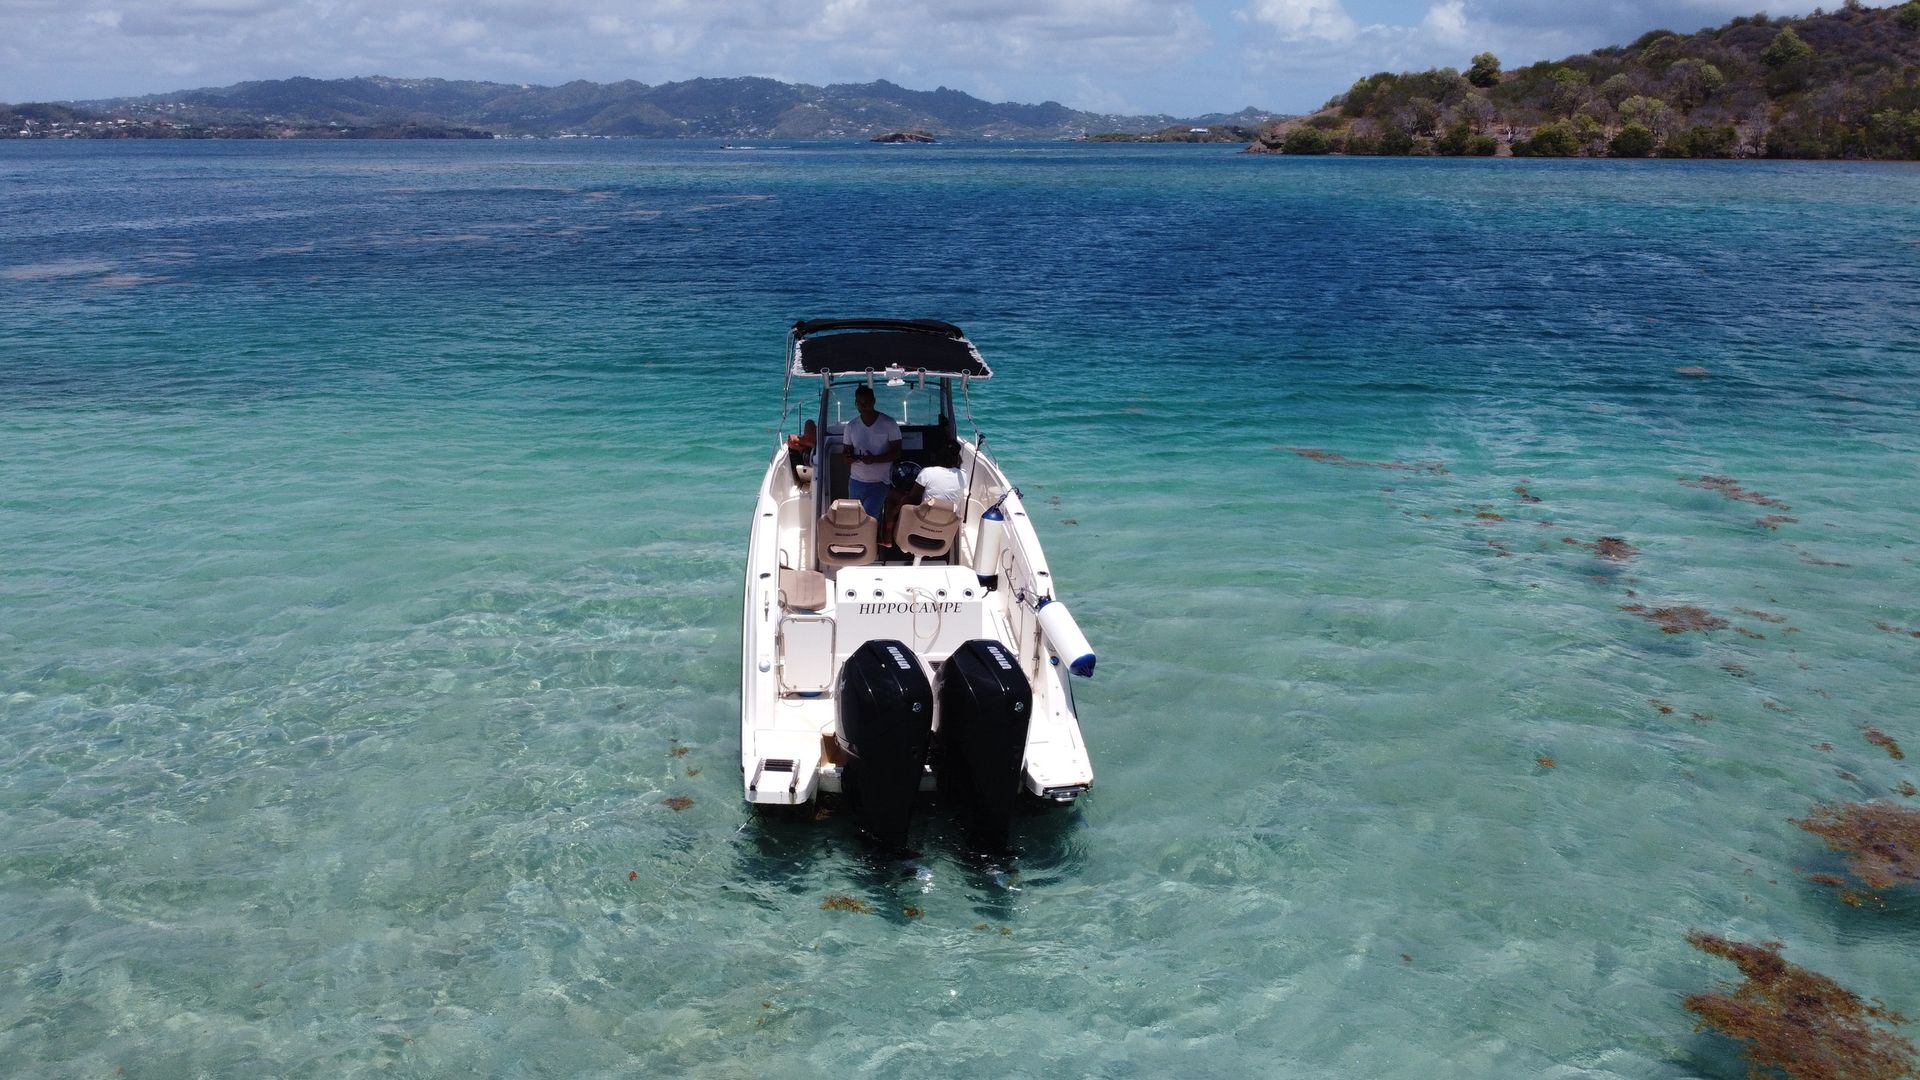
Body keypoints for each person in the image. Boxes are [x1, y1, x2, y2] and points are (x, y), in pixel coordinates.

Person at [843, 385, 900, 524]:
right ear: (856, 404)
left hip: (880, 482)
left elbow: (897, 452)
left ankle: (871, 545)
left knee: (869, 520)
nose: (863, 406)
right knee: (854, 519)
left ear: (874, 401)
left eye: (867, 402)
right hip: (855, 481)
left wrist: (874, 459)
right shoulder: (851, 426)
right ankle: (860, 544)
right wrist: (848, 458)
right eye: (860, 403)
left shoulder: (889, 423)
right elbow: (846, 453)